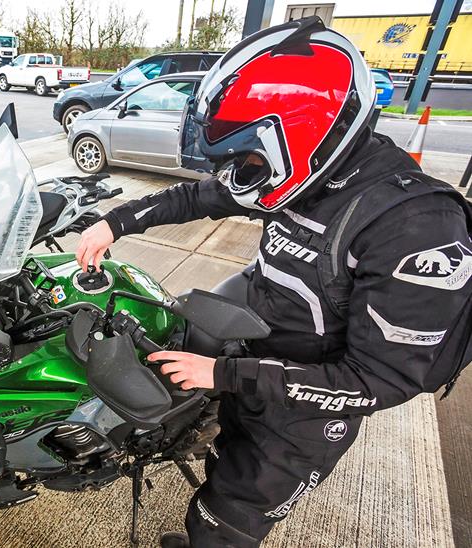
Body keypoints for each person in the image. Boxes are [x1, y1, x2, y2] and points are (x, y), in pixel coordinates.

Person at [76, 17, 472, 548]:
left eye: (253, 156)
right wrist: (115, 222)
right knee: (223, 457)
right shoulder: (292, 172)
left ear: (303, 133)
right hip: (257, 360)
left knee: (228, 520)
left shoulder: (414, 228)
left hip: (305, 416)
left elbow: (377, 381)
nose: (246, 170)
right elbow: (198, 196)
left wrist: (224, 373)